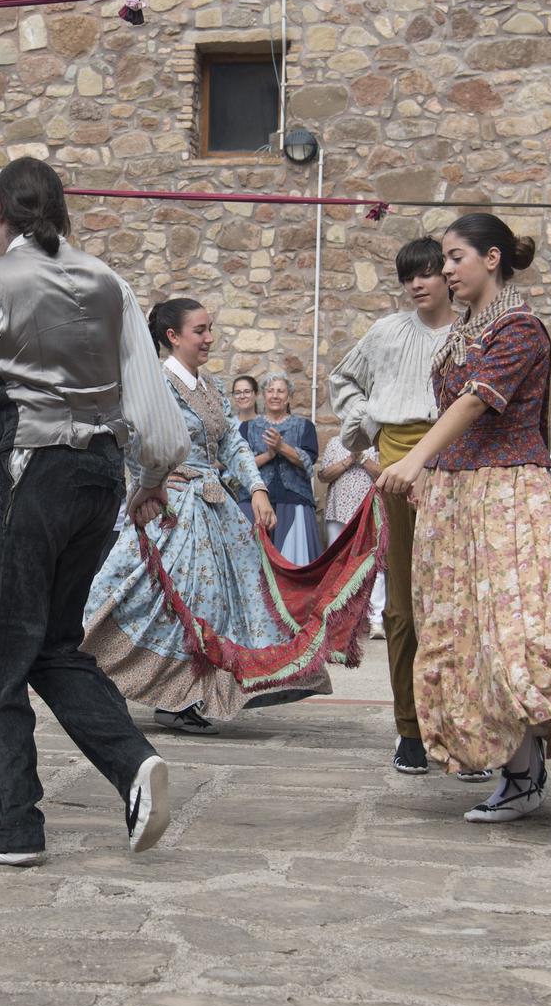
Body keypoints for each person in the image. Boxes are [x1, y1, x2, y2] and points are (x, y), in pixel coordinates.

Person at [0, 157, 189, 866]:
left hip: (32, 470)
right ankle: (133, 764)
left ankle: (17, 825)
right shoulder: (111, 281)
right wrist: (146, 478)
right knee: (53, 644)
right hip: (98, 476)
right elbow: (161, 421)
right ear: (60, 209)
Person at [373, 213, 551, 823]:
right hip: (457, 496)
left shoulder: (521, 329)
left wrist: (415, 460)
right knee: (459, 633)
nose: (444, 270)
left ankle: (525, 768)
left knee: (506, 633)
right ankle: (515, 764)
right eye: (443, 260)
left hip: (507, 498)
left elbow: (473, 402)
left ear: (492, 259)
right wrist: (431, 477)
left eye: (455, 258)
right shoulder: (463, 332)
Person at [86, 297, 344, 735]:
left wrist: (258, 488)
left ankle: (193, 692)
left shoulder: (212, 387)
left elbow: (233, 445)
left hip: (215, 505)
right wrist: (152, 485)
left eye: (209, 329)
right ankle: (154, 689)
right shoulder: (154, 383)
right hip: (171, 502)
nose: (209, 338)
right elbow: (131, 438)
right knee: (161, 597)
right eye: (200, 330)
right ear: (173, 337)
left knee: (231, 598)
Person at [329, 235, 473, 778]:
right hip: (393, 459)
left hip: (457, 460)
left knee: (457, 599)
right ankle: (409, 729)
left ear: (447, 276)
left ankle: (462, 729)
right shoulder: (386, 332)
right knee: (405, 601)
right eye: (408, 275)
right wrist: (366, 421)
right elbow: (343, 378)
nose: (417, 283)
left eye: (428, 272)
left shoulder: (470, 332)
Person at [245, 374, 321, 564]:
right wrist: (269, 455)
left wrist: (281, 447)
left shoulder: (305, 426)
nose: (275, 395)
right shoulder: (248, 427)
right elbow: (240, 464)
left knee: (293, 561)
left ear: (289, 397)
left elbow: (308, 461)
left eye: (280, 391)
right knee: (252, 561)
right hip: (253, 500)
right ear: (263, 395)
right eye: (270, 391)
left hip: (294, 499)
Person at [317, 432, 385, 636]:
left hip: (369, 511)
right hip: (338, 511)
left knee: (376, 564)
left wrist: (362, 457)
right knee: (338, 563)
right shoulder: (335, 442)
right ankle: (338, 617)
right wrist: (349, 459)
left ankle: (376, 620)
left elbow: (383, 474)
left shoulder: (378, 442)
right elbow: (323, 475)